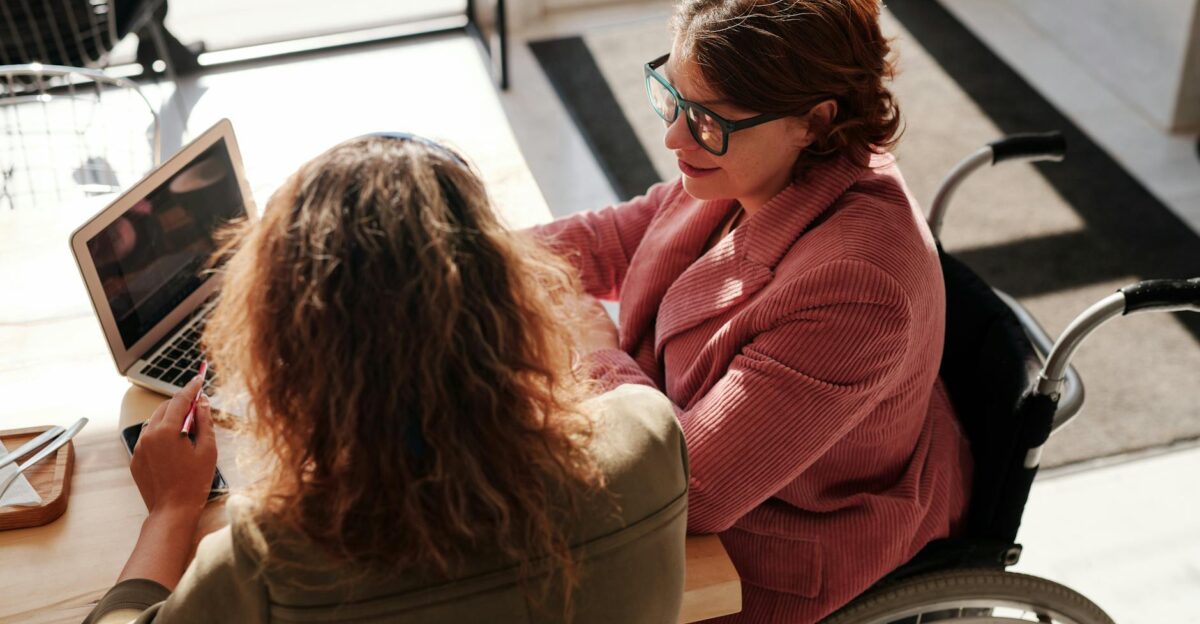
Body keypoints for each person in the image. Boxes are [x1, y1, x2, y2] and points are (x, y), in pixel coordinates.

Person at [83, 134, 689, 624]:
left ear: (287, 351)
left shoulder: (267, 563)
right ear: (514, 297)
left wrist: (169, 510)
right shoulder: (650, 437)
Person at [534, 0, 973, 621]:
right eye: (671, 97)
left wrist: (594, 345)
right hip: (699, 465)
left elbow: (695, 488)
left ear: (816, 121)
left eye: (709, 119)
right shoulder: (753, 165)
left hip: (769, 552)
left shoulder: (857, 287)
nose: (674, 136)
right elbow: (620, 234)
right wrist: (465, 252)